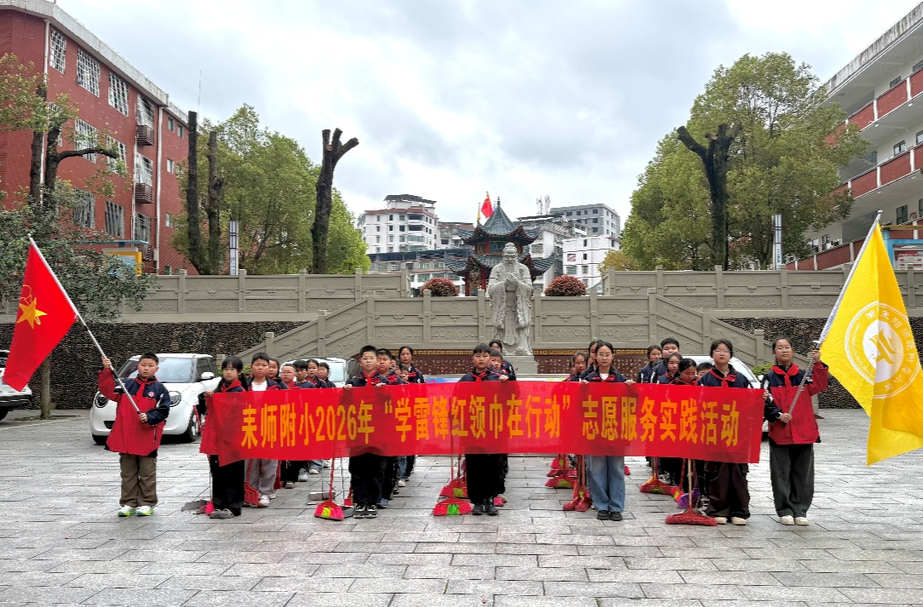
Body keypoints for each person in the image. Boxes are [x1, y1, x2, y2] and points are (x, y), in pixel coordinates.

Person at [763, 338, 828, 526]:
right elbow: (764, 401)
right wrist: (777, 415)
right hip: (780, 432)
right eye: (779, 348)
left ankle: (800, 509)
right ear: (774, 353)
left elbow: (820, 385)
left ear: (792, 351)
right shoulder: (769, 377)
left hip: (804, 432)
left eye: (787, 347)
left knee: (803, 474)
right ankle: (784, 509)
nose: (784, 350)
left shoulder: (803, 374)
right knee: (781, 474)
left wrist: (818, 363)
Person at [99, 353, 171, 517]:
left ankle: (146, 502)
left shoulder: (160, 390)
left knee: (147, 473)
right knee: (127, 473)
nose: (146, 368)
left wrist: (149, 417)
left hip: (146, 439)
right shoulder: (126, 385)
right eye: (143, 365)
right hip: (126, 438)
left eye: (150, 365)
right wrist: (105, 370)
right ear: (137, 366)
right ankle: (128, 502)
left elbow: (163, 411)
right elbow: (107, 390)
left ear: (156, 369)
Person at [698, 339, 752, 525]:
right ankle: (718, 509)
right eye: (717, 350)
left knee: (738, 471)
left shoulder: (741, 379)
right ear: (712, 354)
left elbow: (750, 404)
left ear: (731, 355)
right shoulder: (705, 380)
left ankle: (739, 511)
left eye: (725, 351)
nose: (721, 353)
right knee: (717, 472)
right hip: (714, 432)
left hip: (737, 432)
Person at [581, 341, 635, 521]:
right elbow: (576, 404)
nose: (604, 357)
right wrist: (581, 390)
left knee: (617, 469)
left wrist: (633, 390)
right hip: (595, 431)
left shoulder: (621, 380)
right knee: (596, 470)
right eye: (601, 354)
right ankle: (601, 505)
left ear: (613, 356)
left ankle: (616, 507)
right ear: (594, 356)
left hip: (616, 432)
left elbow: (634, 404)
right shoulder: (587, 379)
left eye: (607, 354)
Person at [460, 343, 509, 516]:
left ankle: (490, 499)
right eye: (478, 356)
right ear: (472, 358)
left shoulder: (499, 378)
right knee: (474, 466)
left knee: (492, 466)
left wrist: (507, 385)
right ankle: (477, 501)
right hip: (472, 430)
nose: (481, 359)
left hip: (492, 430)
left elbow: (513, 398)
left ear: (490, 359)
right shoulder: (465, 380)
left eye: (485, 356)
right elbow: (456, 403)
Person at [343, 345, 388, 519]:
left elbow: (394, 406)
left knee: (376, 469)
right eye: (365, 358)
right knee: (357, 469)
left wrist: (386, 393)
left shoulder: (385, 383)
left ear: (378, 361)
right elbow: (344, 407)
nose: (368, 361)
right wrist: (346, 393)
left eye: (372, 358)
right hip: (358, 432)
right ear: (360, 361)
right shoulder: (353, 382)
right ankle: (360, 502)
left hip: (378, 434)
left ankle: (373, 502)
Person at [200, 356, 248, 519]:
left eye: (232, 369)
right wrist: (206, 397)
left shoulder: (240, 391)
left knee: (233, 473)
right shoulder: (219, 390)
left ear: (239, 372)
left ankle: (233, 506)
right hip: (217, 439)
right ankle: (219, 504)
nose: (228, 372)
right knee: (218, 472)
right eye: (226, 369)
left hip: (233, 440)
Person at [246, 353, 286, 507]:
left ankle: (265, 493)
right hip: (249, 428)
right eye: (257, 365)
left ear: (269, 368)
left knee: (269, 462)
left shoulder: (277, 386)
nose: (260, 368)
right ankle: (251, 491)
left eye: (264, 365)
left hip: (270, 427)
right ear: (252, 367)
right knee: (251, 462)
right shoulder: (244, 385)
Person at [487, 243, 533, 355]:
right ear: (503, 255)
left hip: (519, 304)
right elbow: (490, 289)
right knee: (501, 328)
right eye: (507, 256)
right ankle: (501, 350)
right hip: (502, 303)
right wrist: (504, 284)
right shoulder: (496, 269)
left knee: (520, 328)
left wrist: (517, 283)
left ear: (517, 255)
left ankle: (521, 348)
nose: (510, 259)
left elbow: (529, 289)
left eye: (512, 256)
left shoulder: (523, 269)